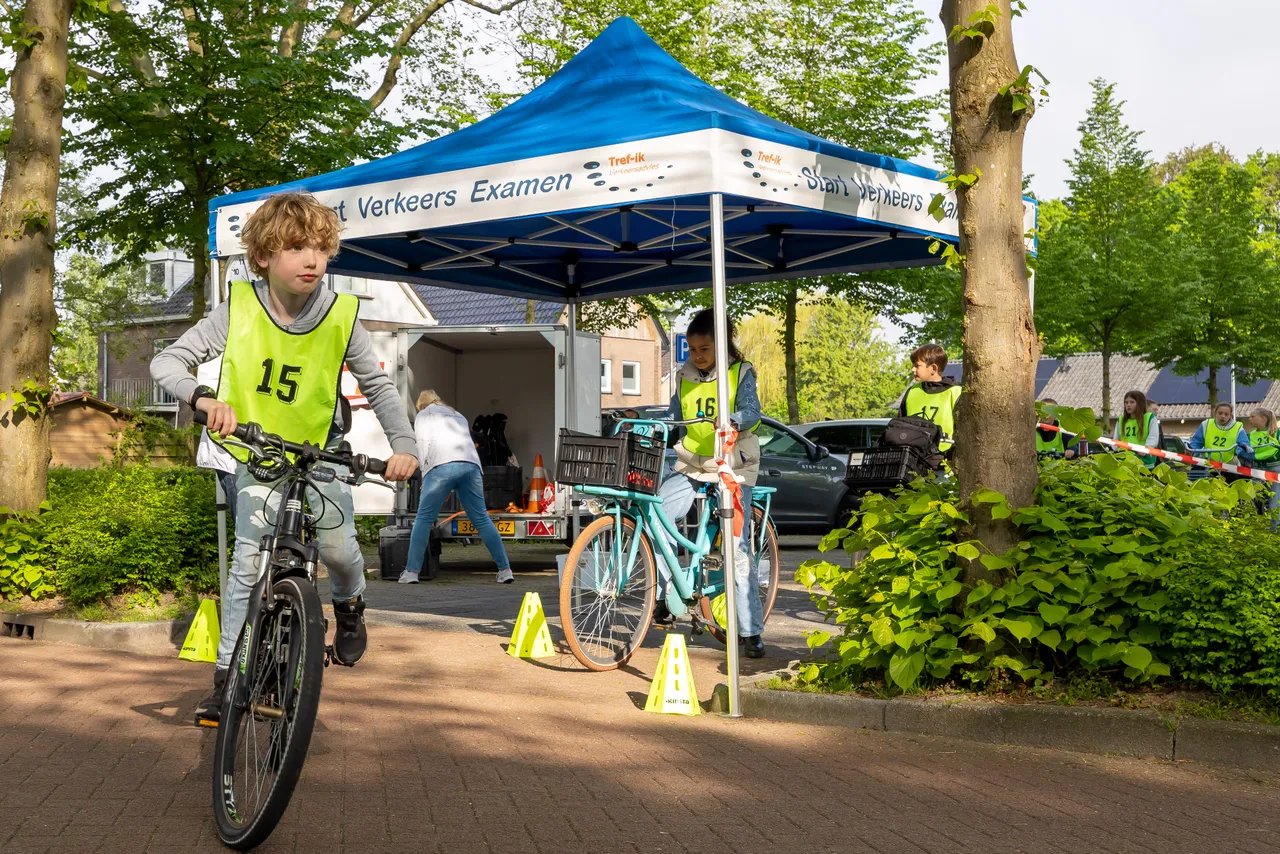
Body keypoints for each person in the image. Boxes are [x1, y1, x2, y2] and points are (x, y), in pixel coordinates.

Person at [151, 192, 420, 726]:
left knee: (343, 553)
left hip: (320, 457)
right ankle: (227, 681)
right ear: (264, 258)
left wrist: (405, 446)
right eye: (296, 247)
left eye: (321, 247)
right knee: (247, 568)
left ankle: (349, 607)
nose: (312, 259)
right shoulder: (239, 309)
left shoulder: (342, 319)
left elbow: (380, 388)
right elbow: (167, 360)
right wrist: (204, 400)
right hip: (259, 456)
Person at [647, 309, 766, 658]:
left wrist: (732, 420)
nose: (697, 356)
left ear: (722, 345)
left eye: (705, 349)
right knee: (660, 518)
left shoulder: (740, 372)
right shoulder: (682, 376)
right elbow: (674, 417)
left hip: (732, 464)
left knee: (737, 548)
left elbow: (753, 412)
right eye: (692, 348)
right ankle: (668, 597)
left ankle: (750, 630)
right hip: (692, 463)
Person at [400, 390, 513, 585]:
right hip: (471, 466)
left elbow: (422, 444)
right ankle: (505, 570)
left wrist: (426, 476)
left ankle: (411, 572)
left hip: (441, 467)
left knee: (424, 519)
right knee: (481, 519)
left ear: (423, 405)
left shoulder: (424, 414)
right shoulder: (456, 414)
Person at [901, 343, 962, 455]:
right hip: (913, 461)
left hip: (943, 464)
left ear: (933, 368)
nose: (912, 369)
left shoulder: (956, 392)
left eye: (917, 365)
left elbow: (963, 432)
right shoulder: (912, 392)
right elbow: (900, 426)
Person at [1188, 402, 1253, 468]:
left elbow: (1245, 445)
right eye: (1220, 413)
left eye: (1226, 414)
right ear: (1215, 413)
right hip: (1208, 463)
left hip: (1229, 464)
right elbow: (1196, 442)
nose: (1223, 416)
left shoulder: (1238, 428)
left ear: (1230, 415)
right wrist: (1193, 452)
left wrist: (1242, 450)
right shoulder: (1206, 424)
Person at [1247, 408, 1280, 524]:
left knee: (1274, 502)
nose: (1249, 419)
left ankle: (1274, 531)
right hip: (1257, 467)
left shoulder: (1277, 433)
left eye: (1252, 416)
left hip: (1275, 468)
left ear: (1263, 418)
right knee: (1254, 498)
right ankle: (1257, 527)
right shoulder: (1251, 435)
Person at [1113, 390, 1161, 467]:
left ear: (1140, 404)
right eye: (1126, 402)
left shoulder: (1149, 418)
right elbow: (1116, 440)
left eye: (1132, 402)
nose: (1128, 405)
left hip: (1144, 461)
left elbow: (1153, 438)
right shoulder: (1121, 420)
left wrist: (1144, 450)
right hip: (1124, 461)